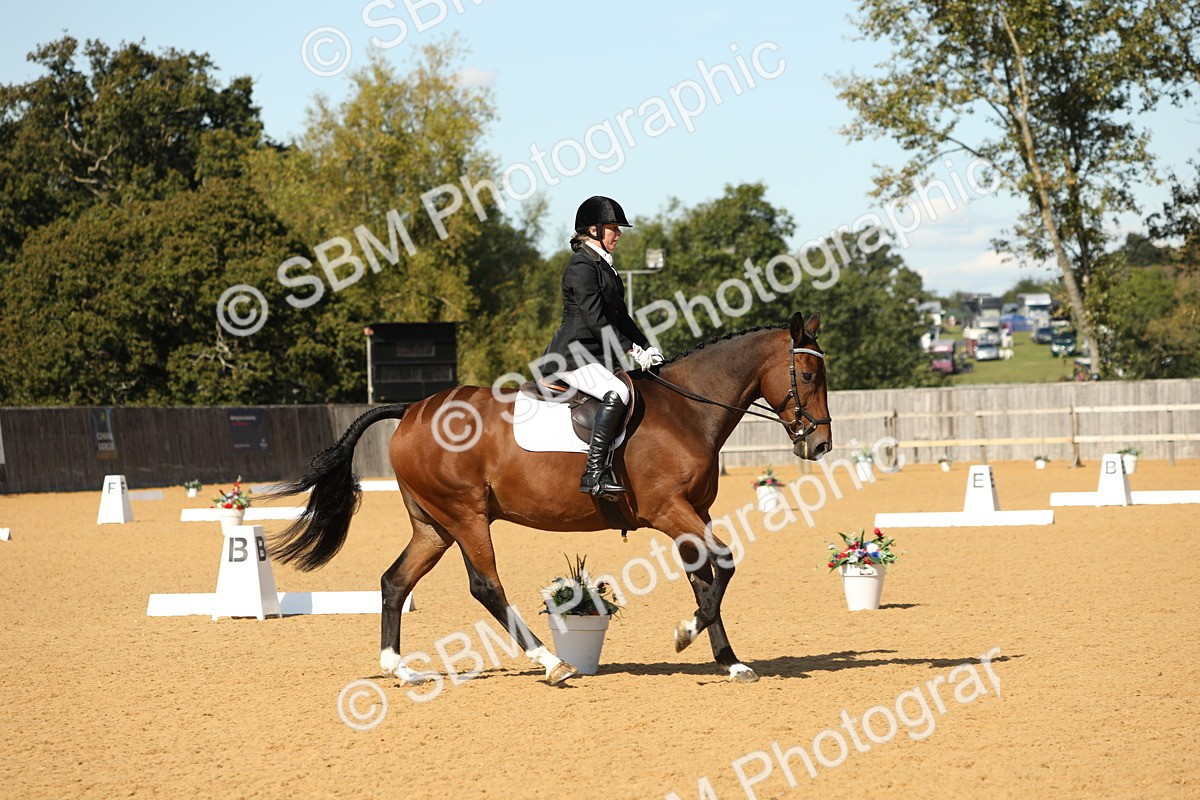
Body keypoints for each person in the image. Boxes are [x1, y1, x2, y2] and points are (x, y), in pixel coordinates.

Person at [540, 195, 664, 500]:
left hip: (596, 355)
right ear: (593, 230)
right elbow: (595, 319)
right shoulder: (581, 266)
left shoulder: (603, 266)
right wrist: (631, 350)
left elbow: (620, 316)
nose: (619, 233)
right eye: (613, 227)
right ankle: (593, 474)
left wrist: (648, 346)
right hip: (572, 355)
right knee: (618, 392)